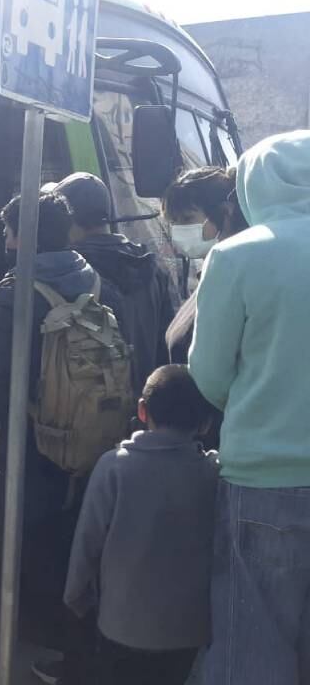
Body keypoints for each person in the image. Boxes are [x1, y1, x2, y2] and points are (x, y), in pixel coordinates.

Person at [0, 191, 101, 685]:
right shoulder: (91, 279)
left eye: (9, 233)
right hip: (79, 438)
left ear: (23, 236)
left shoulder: (14, 290)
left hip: (21, 444)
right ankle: (72, 665)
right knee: (59, 559)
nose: (5, 243)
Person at [190, 131, 310, 685]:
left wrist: (258, 403)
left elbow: (210, 373)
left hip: (261, 478)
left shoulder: (235, 255)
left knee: (254, 642)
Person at [64, 365, 218, 685]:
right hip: (188, 632)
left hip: (119, 627)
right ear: (205, 423)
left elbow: (87, 543)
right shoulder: (212, 473)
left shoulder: (113, 467)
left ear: (142, 410)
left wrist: (77, 599)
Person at [58, 172, 172, 393]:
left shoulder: (73, 273)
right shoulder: (152, 268)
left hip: (95, 405)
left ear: (68, 219)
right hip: (146, 397)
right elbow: (165, 344)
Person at [161, 166, 250, 364]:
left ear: (226, 212)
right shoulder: (211, 274)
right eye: (173, 222)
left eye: (187, 218)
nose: (179, 229)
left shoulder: (234, 276)